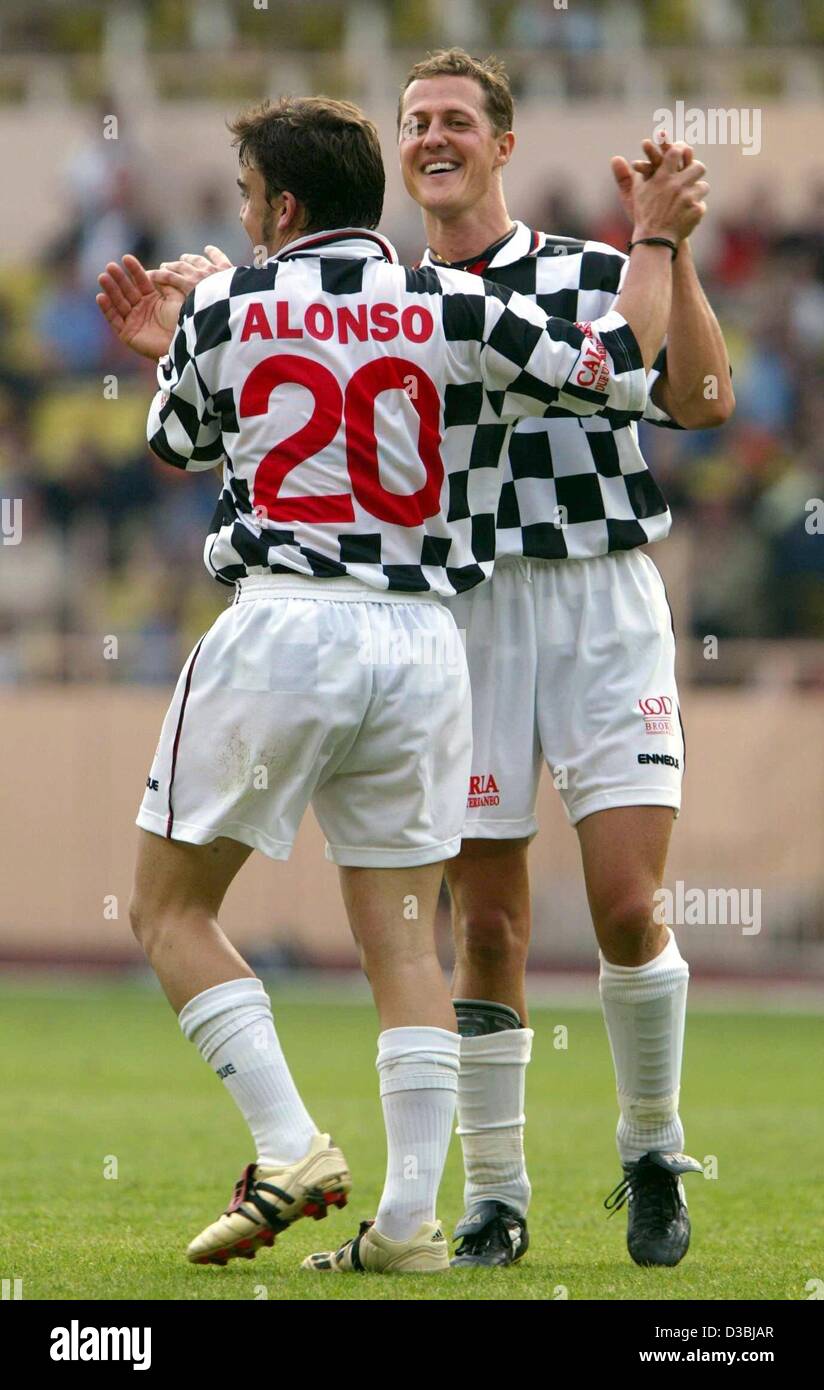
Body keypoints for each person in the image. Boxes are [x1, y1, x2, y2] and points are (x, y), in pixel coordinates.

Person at [96, 94, 690, 1275]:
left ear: (283, 206)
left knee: (169, 910)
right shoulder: (449, 299)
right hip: (425, 641)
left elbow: (175, 446)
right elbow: (624, 363)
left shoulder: (224, 300)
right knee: (408, 942)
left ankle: (287, 1145)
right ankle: (415, 1221)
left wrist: (180, 335)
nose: (244, 215)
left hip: (287, 623)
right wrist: (659, 245)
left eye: (248, 197)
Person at [396, 49, 734, 1269]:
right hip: (469, 612)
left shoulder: (603, 268)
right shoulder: (388, 303)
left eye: (453, 120)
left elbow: (696, 399)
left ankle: (651, 1149)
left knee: (628, 905)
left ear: (500, 142)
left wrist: (670, 244)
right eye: (412, 121)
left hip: (601, 599)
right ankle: (496, 1194)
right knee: (482, 923)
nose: (431, 137)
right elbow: (596, 377)